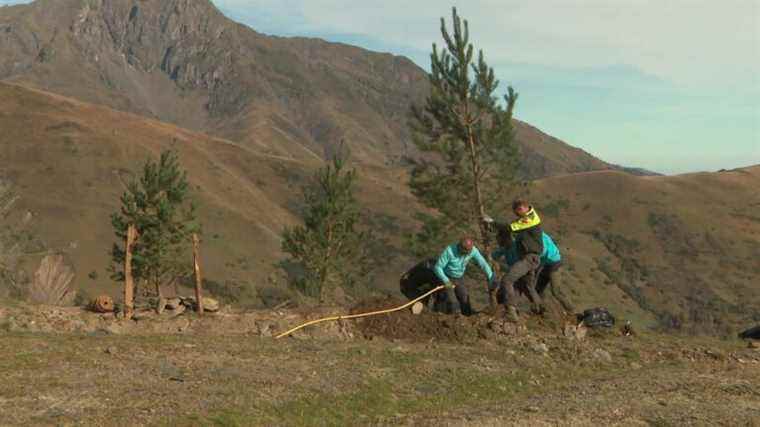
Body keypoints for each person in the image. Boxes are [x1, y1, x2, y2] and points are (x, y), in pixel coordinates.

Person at [483, 199, 544, 321]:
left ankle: (511, 312)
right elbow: (508, 228)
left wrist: (492, 223)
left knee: (507, 280)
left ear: (526, 208)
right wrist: (492, 227)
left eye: (519, 210)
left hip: (530, 258)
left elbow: (510, 227)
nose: (517, 213)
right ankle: (542, 311)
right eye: (516, 211)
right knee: (527, 286)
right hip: (530, 258)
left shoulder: (530, 219)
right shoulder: (526, 218)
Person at [492, 231, 574, 314]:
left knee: (555, 290)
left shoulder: (531, 237)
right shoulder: (515, 243)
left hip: (552, 263)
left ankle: (570, 311)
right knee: (536, 290)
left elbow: (539, 253)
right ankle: (541, 309)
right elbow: (496, 254)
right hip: (540, 264)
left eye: (500, 241)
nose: (499, 243)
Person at [432, 237, 495, 315]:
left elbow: (483, 263)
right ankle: (455, 319)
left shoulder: (473, 250)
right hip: (446, 277)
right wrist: (446, 281)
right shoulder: (449, 251)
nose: (467, 253)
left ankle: (467, 318)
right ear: (460, 247)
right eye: (465, 251)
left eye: (469, 251)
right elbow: (437, 267)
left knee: (464, 297)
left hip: (459, 278)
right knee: (453, 301)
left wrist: (491, 276)